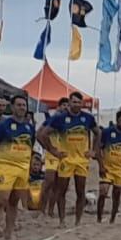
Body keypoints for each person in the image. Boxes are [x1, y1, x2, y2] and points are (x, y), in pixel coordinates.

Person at [38, 92, 100, 227]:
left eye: (79, 102)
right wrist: (53, 150)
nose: (76, 105)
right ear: (69, 103)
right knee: (61, 190)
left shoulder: (88, 118)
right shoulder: (60, 118)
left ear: (82, 104)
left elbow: (98, 132)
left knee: (80, 190)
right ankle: (62, 220)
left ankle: (78, 221)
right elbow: (43, 134)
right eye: (74, 102)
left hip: (82, 159)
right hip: (66, 159)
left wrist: (93, 151)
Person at [0, 94, 36, 240]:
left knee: (14, 202)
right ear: (12, 107)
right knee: (1, 200)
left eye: (24, 105)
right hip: (5, 167)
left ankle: (8, 233)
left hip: (22, 168)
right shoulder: (3, 126)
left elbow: (30, 147)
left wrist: (30, 163)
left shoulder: (29, 127)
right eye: (19, 105)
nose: (22, 108)